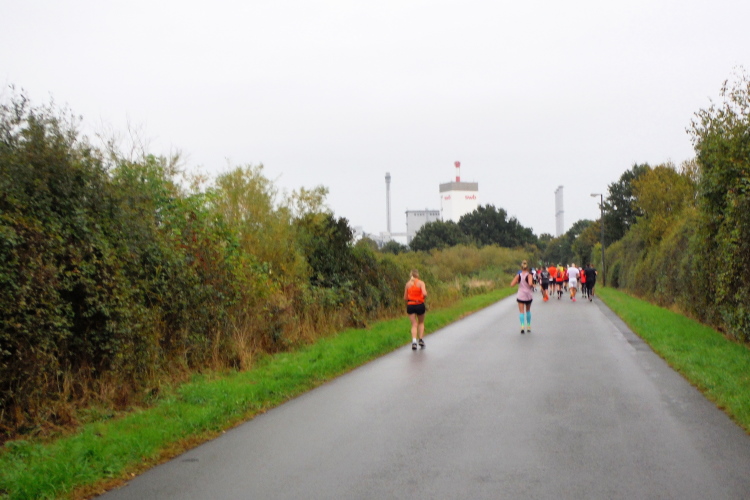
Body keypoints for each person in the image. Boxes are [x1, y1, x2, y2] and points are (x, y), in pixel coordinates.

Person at [404, 269, 428, 349]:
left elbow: (405, 297)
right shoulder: (421, 283)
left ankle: (414, 341)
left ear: (411, 275)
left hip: (410, 305)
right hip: (419, 304)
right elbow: (424, 293)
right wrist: (422, 298)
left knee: (414, 324)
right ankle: (420, 339)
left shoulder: (407, 284)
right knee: (421, 322)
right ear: (417, 275)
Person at [510, 260, 534, 334]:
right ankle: (528, 326)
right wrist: (533, 285)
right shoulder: (529, 275)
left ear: (521, 268)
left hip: (521, 295)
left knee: (521, 311)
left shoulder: (518, 275)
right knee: (528, 310)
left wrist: (518, 282)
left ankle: (522, 326)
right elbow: (530, 283)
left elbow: (511, 284)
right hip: (528, 295)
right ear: (527, 268)